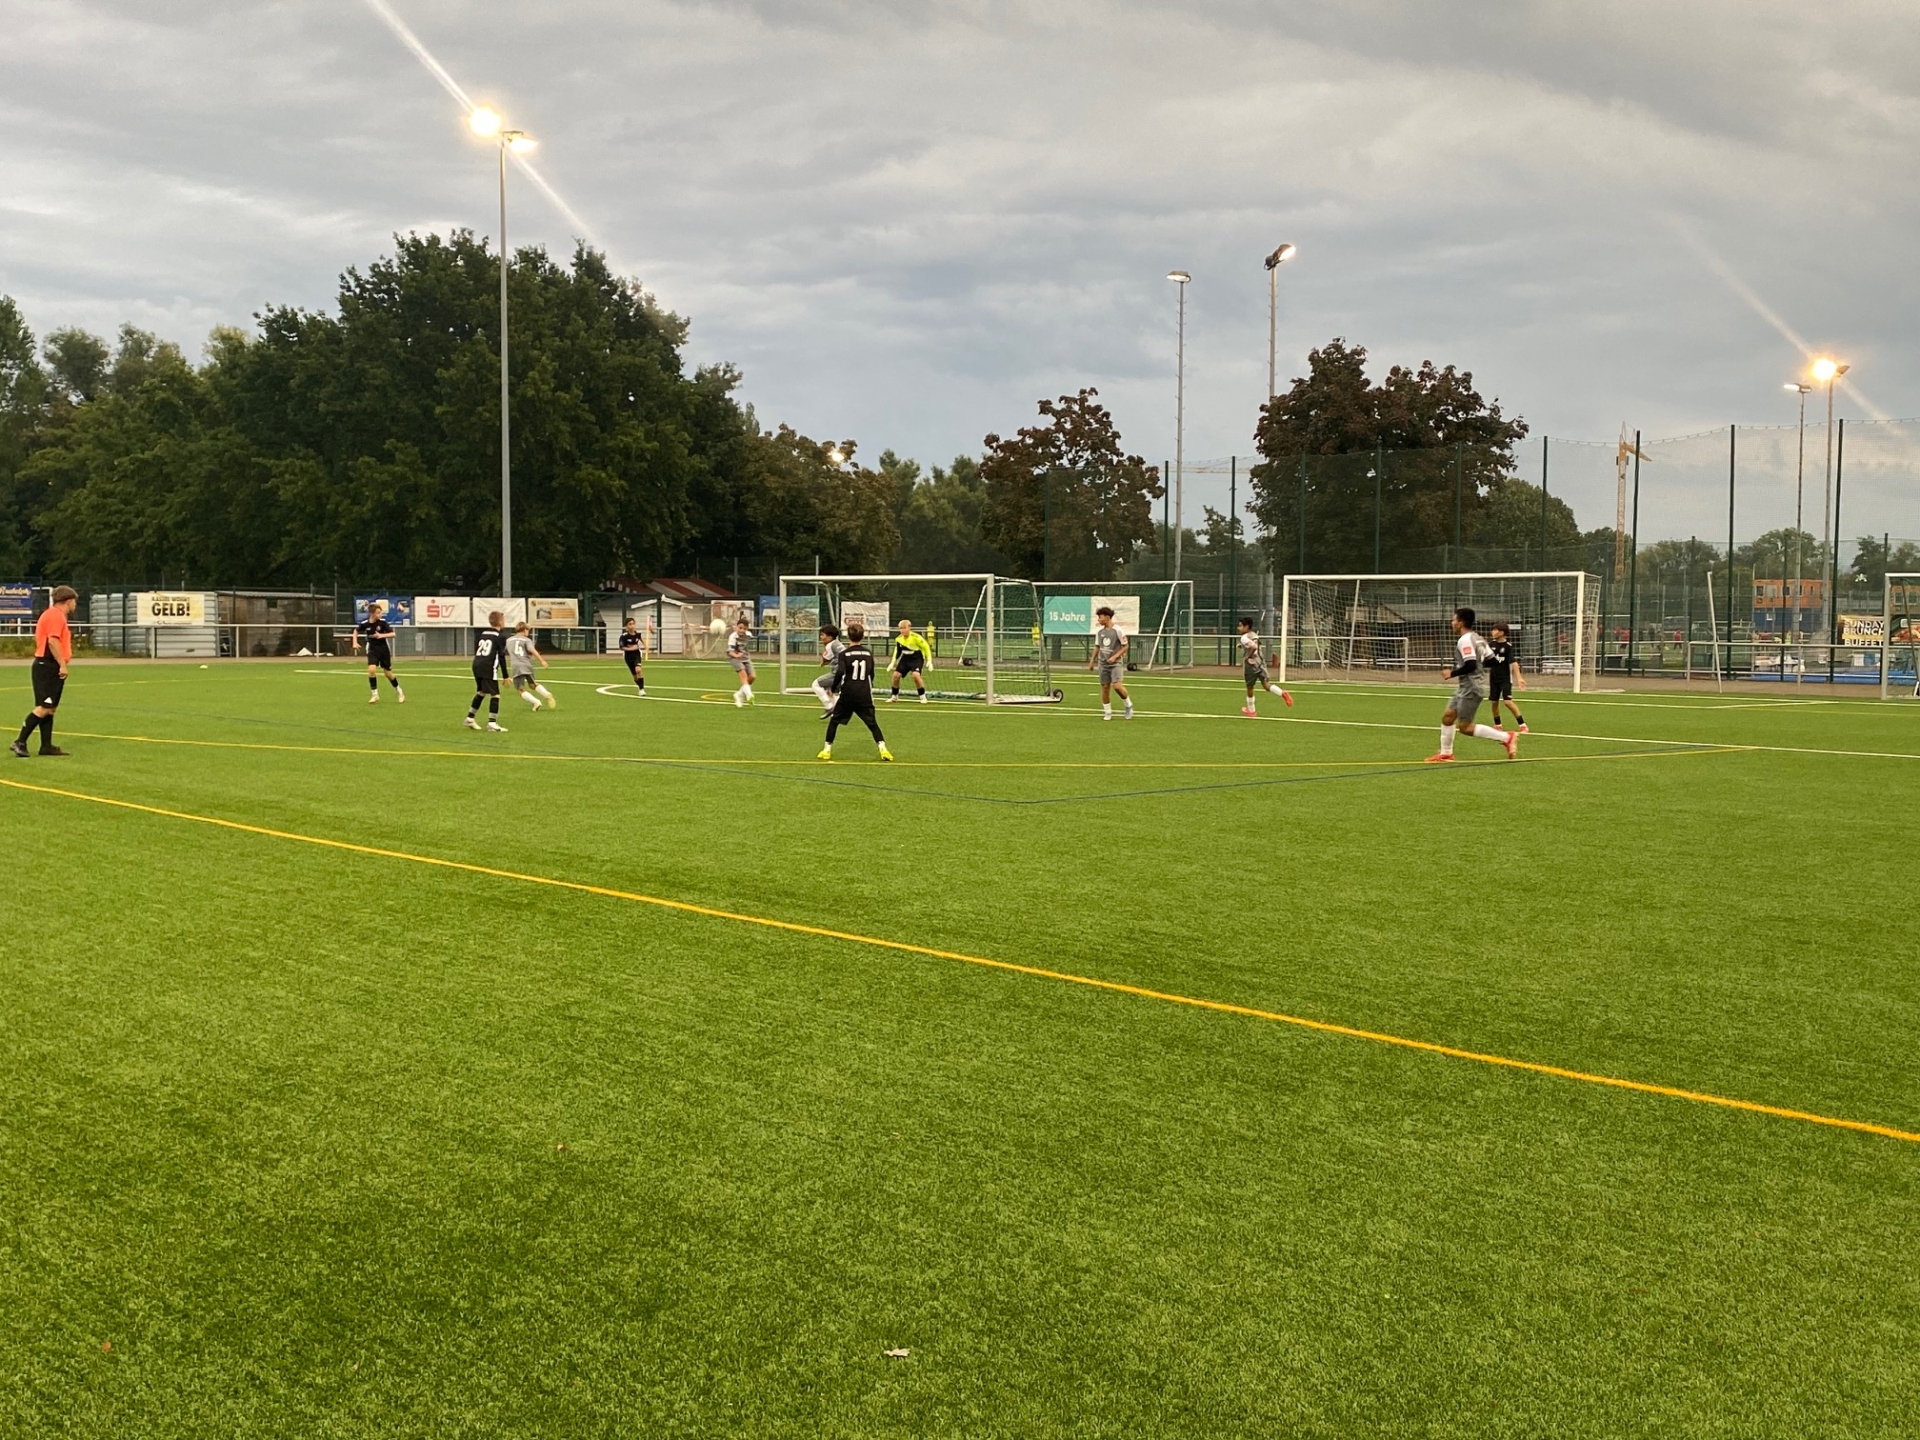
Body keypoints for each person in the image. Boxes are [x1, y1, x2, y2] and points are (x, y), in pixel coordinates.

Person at [1426, 607, 1517, 763]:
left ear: (1460, 622)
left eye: (1454, 620)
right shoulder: (1478, 638)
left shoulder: (1465, 640)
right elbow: (1493, 661)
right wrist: (1479, 664)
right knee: (1448, 717)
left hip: (1471, 687)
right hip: (1464, 686)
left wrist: (1451, 673)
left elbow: (1471, 665)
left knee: (1465, 727)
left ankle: (1506, 737)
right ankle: (1446, 753)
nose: (1452, 622)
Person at [12, 585, 77, 758]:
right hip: (47, 665)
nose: (75, 605)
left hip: (48, 665)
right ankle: (20, 741)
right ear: (68, 601)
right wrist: (62, 664)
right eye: (74, 601)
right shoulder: (55, 615)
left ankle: (46, 746)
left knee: (50, 708)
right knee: (44, 707)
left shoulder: (54, 615)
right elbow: (52, 641)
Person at [817, 621, 893, 762]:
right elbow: (871, 673)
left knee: (834, 721)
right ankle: (883, 748)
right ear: (862, 637)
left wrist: (833, 689)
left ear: (848, 636)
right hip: (864, 693)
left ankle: (826, 750)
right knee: (872, 724)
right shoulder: (868, 653)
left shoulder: (844, 654)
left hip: (848, 693)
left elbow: (840, 673)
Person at [1236, 617, 1293, 716]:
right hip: (1260, 663)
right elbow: (1255, 645)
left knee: (1249, 687)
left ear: (1246, 626)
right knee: (1266, 684)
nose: (1238, 628)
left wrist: (1248, 656)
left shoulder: (1244, 637)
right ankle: (1282, 693)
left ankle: (1251, 711)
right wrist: (1242, 645)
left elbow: (1253, 646)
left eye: (1240, 626)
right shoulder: (1254, 635)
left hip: (1251, 665)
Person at [465, 610, 510, 732]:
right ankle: (492, 723)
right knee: (495, 694)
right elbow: (501, 657)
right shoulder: (500, 637)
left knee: (481, 692)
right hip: (488, 667)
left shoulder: (483, 634)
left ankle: (470, 718)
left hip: (476, 665)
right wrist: (506, 676)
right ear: (500, 622)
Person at [354, 600, 404, 705]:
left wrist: (381, 635)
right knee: (371, 670)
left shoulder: (382, 623)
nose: (380, 614)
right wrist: (354, 642)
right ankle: (375, 694)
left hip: (383, 649)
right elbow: (356, 631)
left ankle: (399, 691)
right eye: (378, 612)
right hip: (372, 649)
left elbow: (393, 634)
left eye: (380, 612)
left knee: (388, 673)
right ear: (372, 613)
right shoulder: (365, 623)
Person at [1088, 605, 1133, 719]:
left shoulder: (1118, 630)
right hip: (1103, 663)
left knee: (1117, 686)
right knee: (1105, 687)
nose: (1098, 620)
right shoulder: (1100, 632)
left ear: (1107, 617)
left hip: (1115, 664)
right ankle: (1107, 712)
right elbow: (1097, 646)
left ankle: (1128, 705)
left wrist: (1115, 657)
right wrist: (1092, 661)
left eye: (1100, 617)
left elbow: (1125, 646)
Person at [1486, 622, 1527, 732]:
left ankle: (1522, 724)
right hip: (1493, 678)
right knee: (1494, 702)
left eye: (1495, 630)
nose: (1492, 632)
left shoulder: (1508, 647)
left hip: (1505, 678)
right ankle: (1498, 725)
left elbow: (1513, 663)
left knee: (1507, 702)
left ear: (1502, 633)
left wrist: (1519, 678)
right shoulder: (1491, 645)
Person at [507, 621, 556, 711]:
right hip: (527, 664)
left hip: (517, 666)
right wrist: (542, 660)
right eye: (528, 630)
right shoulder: (527, 640)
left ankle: (536, 702)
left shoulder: (509, 640)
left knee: (520, 689)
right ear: (524, 630)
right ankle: (546, 694)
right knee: (532, 684)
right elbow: (532, 650)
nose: (528, 632)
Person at [888, 618, 934, 703]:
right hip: (905, 659)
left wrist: (929, 660)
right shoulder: (899, 639)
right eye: (901, 628)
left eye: (904, 628)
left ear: (909, 628)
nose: (902, 630)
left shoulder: (916, 637)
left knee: (916, 675)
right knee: (895, 676)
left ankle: (922, 697)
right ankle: (894, 696)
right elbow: (897, 651)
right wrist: (892, 662)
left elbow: (926, 647)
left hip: (916, 658)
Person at [812, 622, 846, 717]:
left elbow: (826, 658)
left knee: (816, 684)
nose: (821, 637)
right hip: (847, 673)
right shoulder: (838, 644)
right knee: (829, 689)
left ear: (830, 637)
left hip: (838, 673)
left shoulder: (830, 645)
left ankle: (828, 706)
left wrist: (823, 661)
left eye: (822, 635)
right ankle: (835, 711)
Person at [727, 615, 756, 707]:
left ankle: (739, 694)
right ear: (737, 627)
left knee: (752, 677)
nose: (742, 630)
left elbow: (747, 646)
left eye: (744, 629)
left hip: (746, 658)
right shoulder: (733, 637)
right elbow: (730, 652)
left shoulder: (749, 635)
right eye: (740, 628)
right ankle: (749, 695)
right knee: (743, 675)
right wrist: (736, 655)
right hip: (734, 658)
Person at [617, 616, 647, 695]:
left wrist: (645, 646)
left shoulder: (637, 634)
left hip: (636, 654)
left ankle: (641, 689)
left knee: (638, 670)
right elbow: (621, 647)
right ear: (626, 626)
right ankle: (640, 686)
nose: (632, 626)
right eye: (630, 624)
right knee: (635, 676)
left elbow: (640, 639)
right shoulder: (624, 636)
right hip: (628, 656)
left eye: (633, 624)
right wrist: (631, 648)